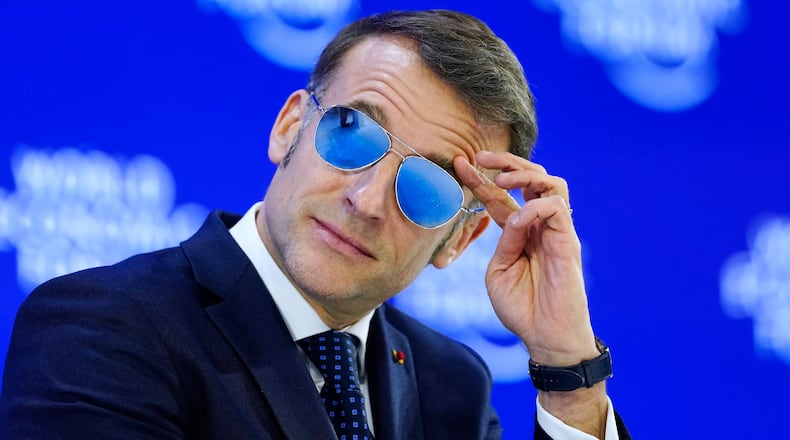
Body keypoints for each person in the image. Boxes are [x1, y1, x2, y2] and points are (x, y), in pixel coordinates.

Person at [0, 9, 631, 440]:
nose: (367, 198)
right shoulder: (104, 326)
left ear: (459, 238)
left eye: (429, 186)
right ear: (289, 129)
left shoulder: (451, 386)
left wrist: (567, 370)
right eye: (352, 134)